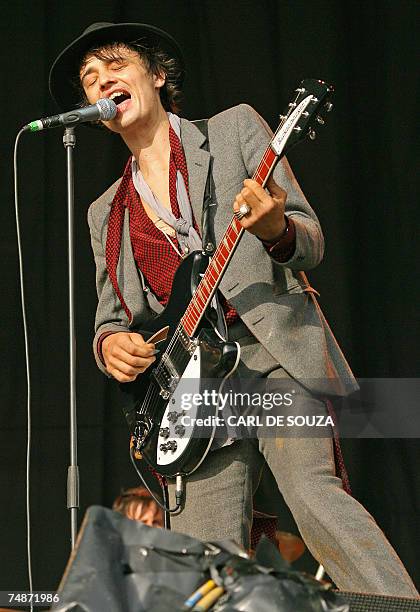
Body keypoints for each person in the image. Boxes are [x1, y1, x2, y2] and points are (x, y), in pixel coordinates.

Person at [49, 22, 418, 597]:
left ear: (158, 75)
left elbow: (311, 241)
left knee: (316, 500)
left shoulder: (233, 129)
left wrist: (274, 229)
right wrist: (109, 347)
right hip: (191, 393)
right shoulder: (105, 213)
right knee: (202, 561)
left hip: (267, 356)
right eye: (89, 79)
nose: (102, 81)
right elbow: (110, 319)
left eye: (115, 64)